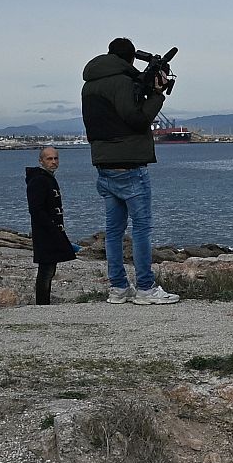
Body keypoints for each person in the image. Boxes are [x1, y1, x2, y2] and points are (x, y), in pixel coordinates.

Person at [81, 37, 179, 305]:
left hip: (104, 165)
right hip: (130, 166)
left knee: (113, 232)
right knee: (141, 229)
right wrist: (156, 94)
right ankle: (145, 288)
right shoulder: (122, 81)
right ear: (131, 58)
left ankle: (119, 288)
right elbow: (136, 119)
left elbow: (113, 117)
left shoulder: (89, 84)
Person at [25, 146, 78, 304]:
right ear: (41, 161)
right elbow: (36, 210)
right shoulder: (38, 180)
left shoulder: (47, 178)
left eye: (56, 158)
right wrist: (52, 229)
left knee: (50, 269)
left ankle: (44, 303)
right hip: (45, 232)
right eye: (49, 159)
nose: (53, 162)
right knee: (46, 270)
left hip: (50, 231)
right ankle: (42, 304)